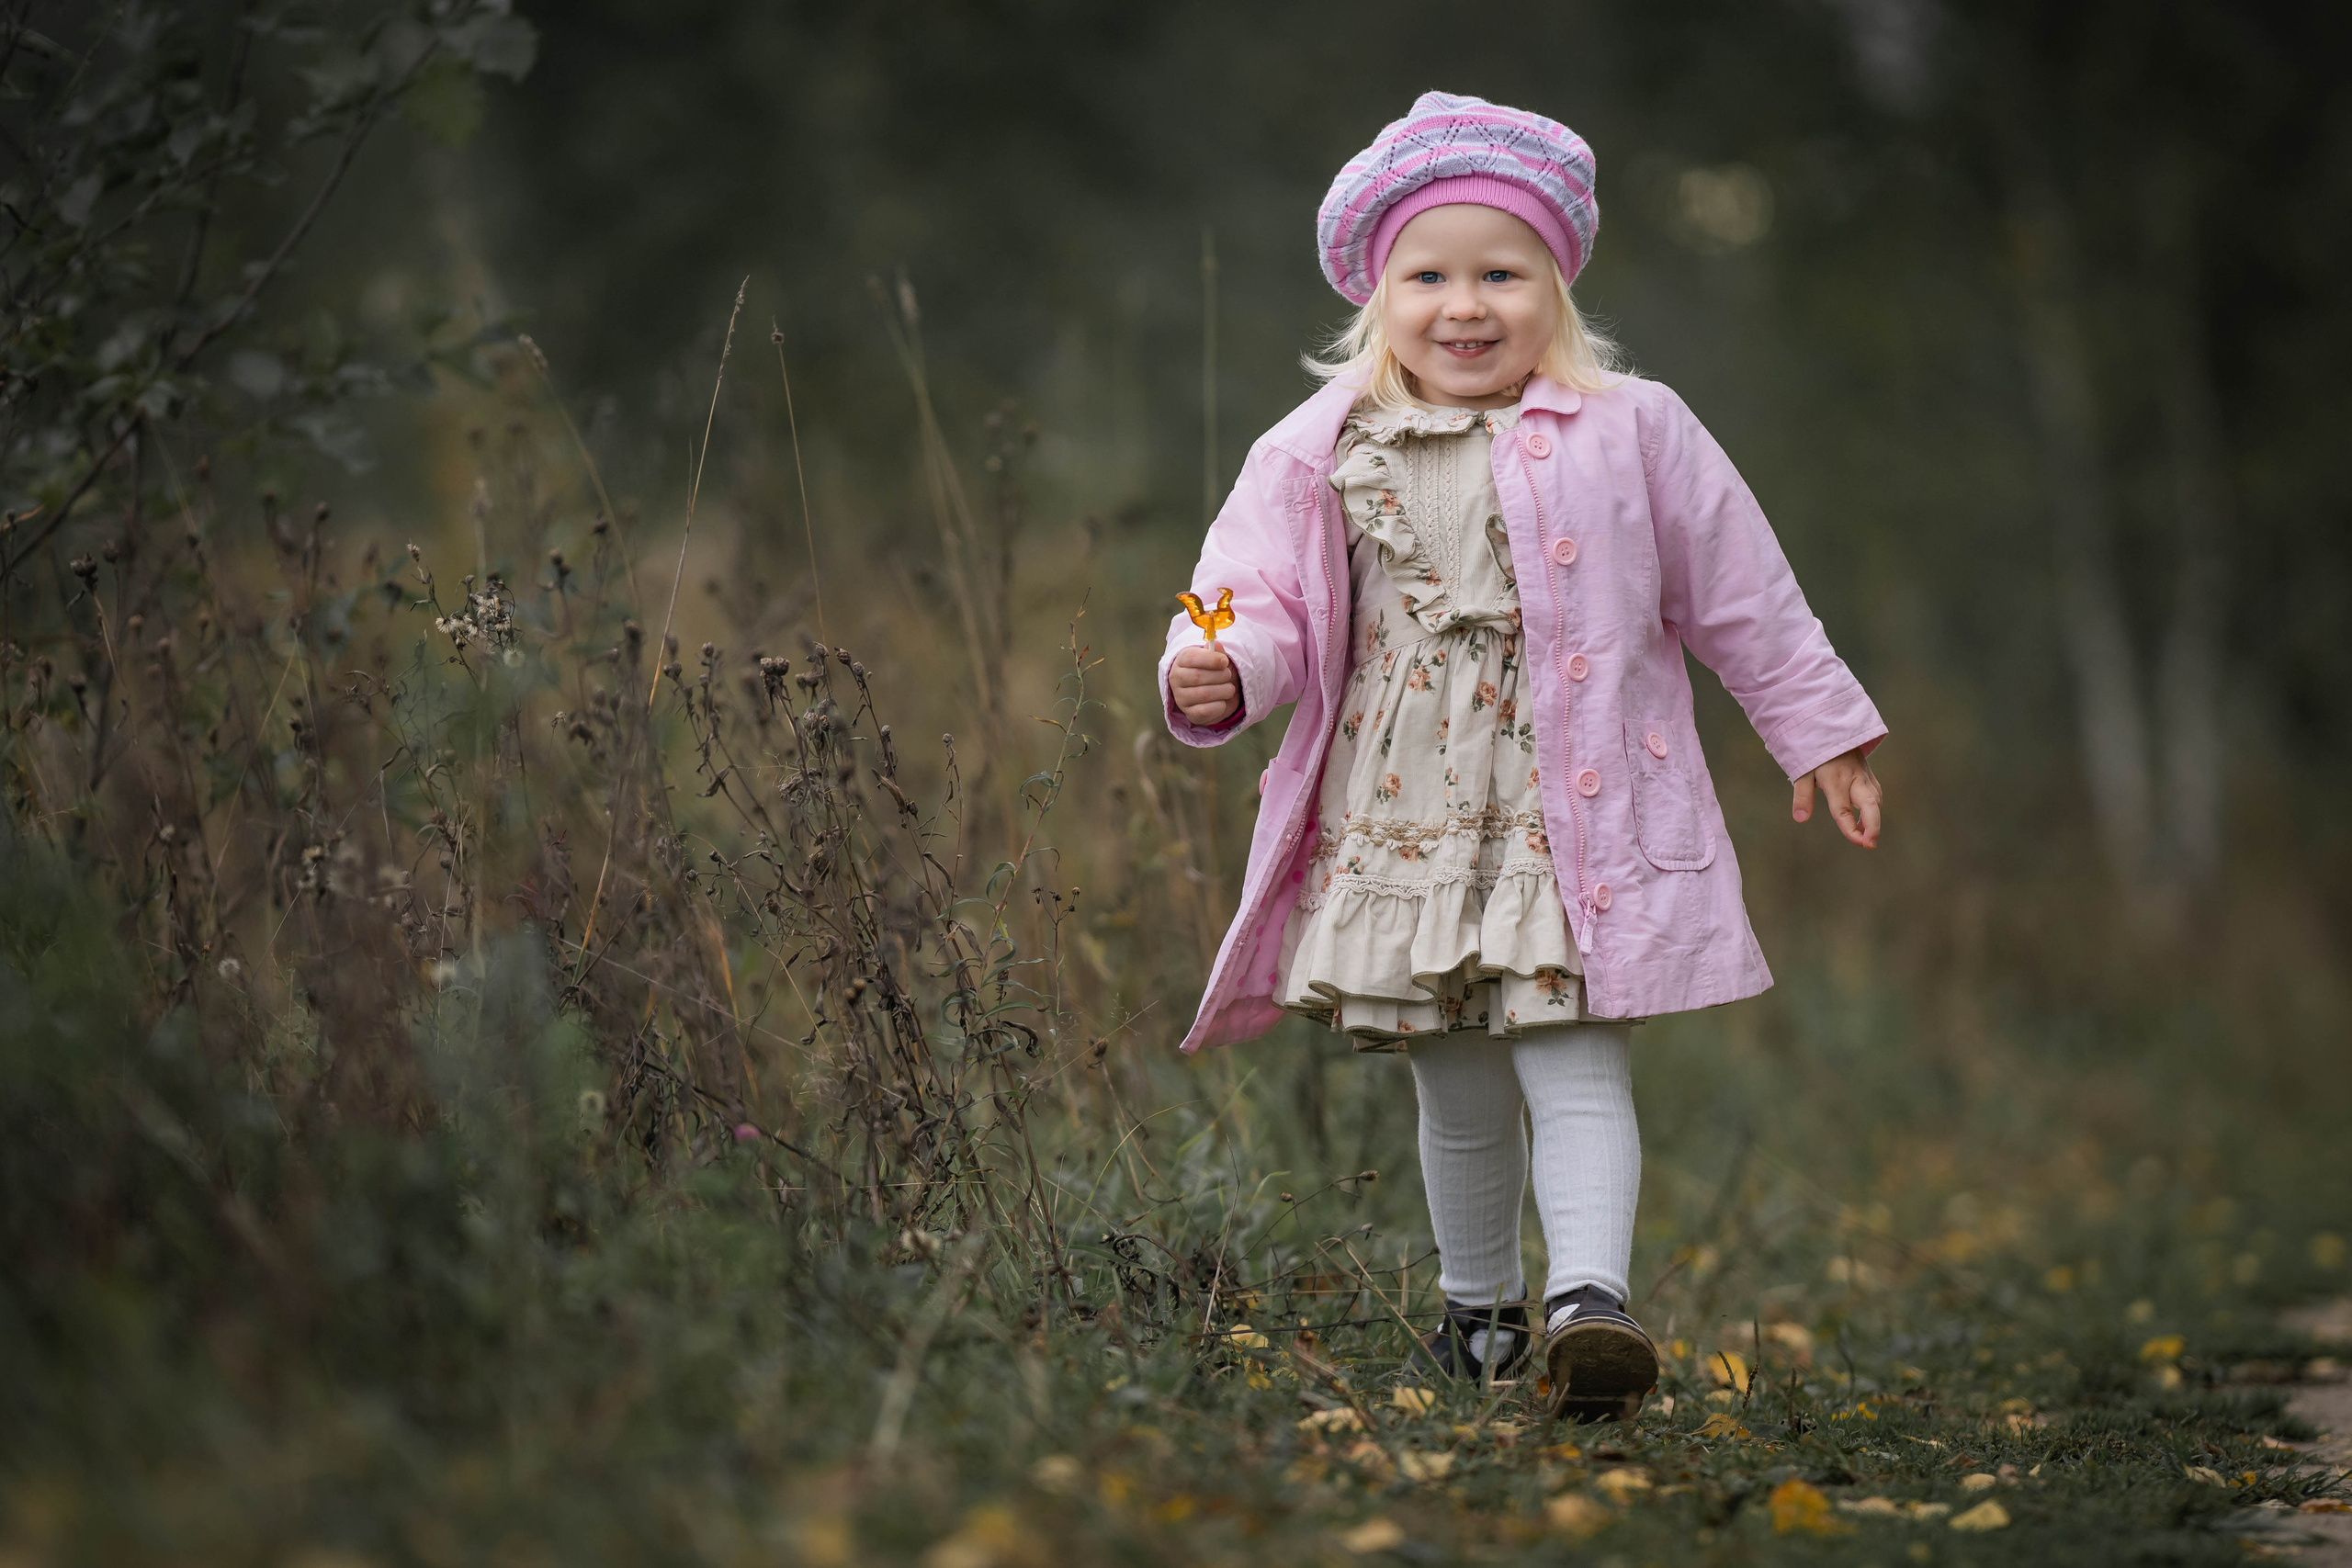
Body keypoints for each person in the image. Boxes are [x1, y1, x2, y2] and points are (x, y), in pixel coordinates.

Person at [1159, 92, 1886, 1420]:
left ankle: (1588, 1308)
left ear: (1558, 286)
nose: (1466, 304)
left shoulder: (1637, 428)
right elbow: (1252, 599)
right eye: (1429, 275)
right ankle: (1480, 1311)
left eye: (1504, 272)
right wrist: (1216, 671)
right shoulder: (1317, 447)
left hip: (1570, 811)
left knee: (1574, 1053)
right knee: (1457, 1079)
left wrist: (1821, 725)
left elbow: (1743, 593)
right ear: (1379, 295)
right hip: (1408, 819)